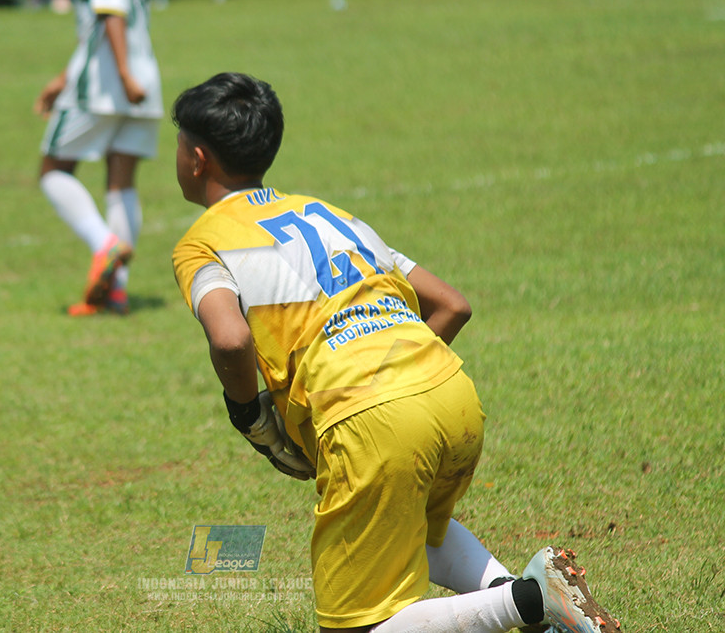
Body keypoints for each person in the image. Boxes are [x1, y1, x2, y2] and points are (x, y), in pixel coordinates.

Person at [170, 72, 622, 633]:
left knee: (358, 626)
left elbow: (230, 338)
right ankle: (541, 607)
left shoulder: (203, 241)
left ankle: (530, 603)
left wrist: (248, 415)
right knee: (415, 527)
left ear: (196, 157)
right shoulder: (329, 214)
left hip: (372, 423)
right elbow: (452, 304)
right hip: (451, 393)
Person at [35, 0, 162, 316]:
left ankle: (104, 244)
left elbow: (111, 12)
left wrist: (121, 73)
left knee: (52, 170)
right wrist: (64, 77)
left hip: (104, 85)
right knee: (121, 184)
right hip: (145, 79)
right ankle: (116, 291)